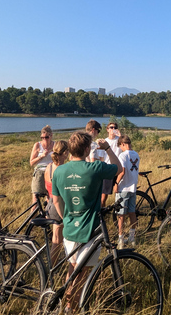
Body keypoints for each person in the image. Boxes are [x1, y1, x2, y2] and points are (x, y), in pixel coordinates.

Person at [52, 131, 122, 313]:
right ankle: (72, 310)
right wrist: (107, 148)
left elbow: (56, 200)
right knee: (82, 279)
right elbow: (118, 167)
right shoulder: (95, 168)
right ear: (85, 149)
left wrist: (65, 217)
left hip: (69, 227)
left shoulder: (60, 170)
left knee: (72, 269)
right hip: (90, 229)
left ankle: (67, 307)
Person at [44, 140, 69, 266]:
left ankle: (54, 263)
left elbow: (46, 186)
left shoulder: (48, 167)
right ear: (64, 153)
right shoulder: (62, 169)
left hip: (50, 204)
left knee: (56, 237)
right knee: (57, 240)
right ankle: (52, 266)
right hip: (59, 205)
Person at [113, 135, 140, 249]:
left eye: (120, 146)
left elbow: (122, 171)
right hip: (133, 188)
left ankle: (120, 239)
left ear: (122, 144)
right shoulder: (136, 154)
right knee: (132, 212)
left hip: (123, 188)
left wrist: (116, 183)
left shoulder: (123, 155)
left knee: (121, 215)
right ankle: (132, 238)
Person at [29, 125, 55, 204]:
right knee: (35, 201)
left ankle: (47, 216)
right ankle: (34, 215)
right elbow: (31, 162)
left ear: (51, 135)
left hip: (51, 173)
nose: (44, 139)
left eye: (46, 137)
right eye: (42, 137)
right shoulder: (37, 145)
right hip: (40, 173)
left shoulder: (55, 145)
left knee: (50, 199)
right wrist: (41, 156)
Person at [101, 122, 122, 208]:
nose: (113, 129)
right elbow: (101, 157)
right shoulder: (105, 141)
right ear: (107, 129)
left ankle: (119, 213)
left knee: (119, 193)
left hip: (119, 168)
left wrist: (120, 136)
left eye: (115, 127)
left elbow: (127, 147)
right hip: (108, 168)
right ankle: (101, 212)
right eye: (111, 127)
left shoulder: (119, 140)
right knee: (104, 195)